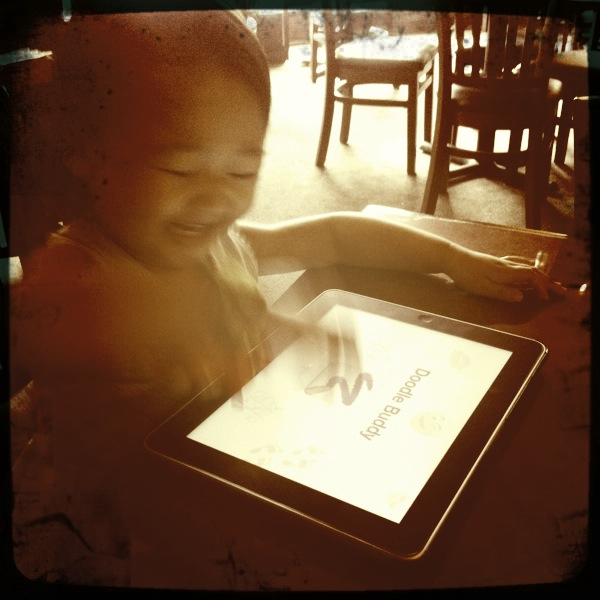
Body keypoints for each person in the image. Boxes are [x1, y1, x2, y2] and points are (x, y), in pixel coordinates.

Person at [8, 9, 567, 589]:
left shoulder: (215, 242)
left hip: (234, 482)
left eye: (241, 172)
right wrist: (248, 333)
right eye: (178, 170)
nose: (216, 201)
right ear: (86, 152)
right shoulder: (76, 272)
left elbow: (333, 235)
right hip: (113, 535)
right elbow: (125, 320)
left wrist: (452, 258)